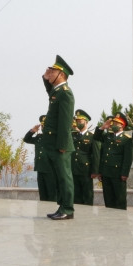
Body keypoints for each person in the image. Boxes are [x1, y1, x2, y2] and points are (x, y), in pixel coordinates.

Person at [40, 55, 76, 220]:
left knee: (64, 177)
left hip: (60, 144)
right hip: (53, 143)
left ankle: (68, 209)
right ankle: (62, 207)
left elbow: (65, 122)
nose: (50, 72)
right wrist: (45, 78)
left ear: (61, 74)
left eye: (53, 70)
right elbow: (50, 91)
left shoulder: (66, 94)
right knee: (59, 178)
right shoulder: (57, 92)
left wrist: (61, 144)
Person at [93, 113, 133, 210]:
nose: (114, 125)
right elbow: (96, 137)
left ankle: (121, 221)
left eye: (117, 123)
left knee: (119, 200)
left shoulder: (126, 139)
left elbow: (128, 158)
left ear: (122, 125)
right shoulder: (107, 136)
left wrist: (124, 173)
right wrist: (103, 127)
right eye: (113, 123)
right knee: (108, 200)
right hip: (106, 173)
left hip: (118, 174)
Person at [24, 115, 57, 202]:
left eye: (45, 125)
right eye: (42, 125)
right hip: (40, 168)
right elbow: (26, 139)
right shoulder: (39, 137)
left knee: (52, 194)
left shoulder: (54, 138)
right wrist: (33, 131)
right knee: (42, 194)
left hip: (50, 169)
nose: (43, 127)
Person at [72, 109, 99, 206]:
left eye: (80, 121)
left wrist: (95, 171)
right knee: (76, 196)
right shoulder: (73, 135)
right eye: (77, 121)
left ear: (86, 122)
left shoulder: (92, 137)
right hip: (74, 169)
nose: (78, 123)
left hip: (86, 170)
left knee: (87, 195)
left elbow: (95, 154)